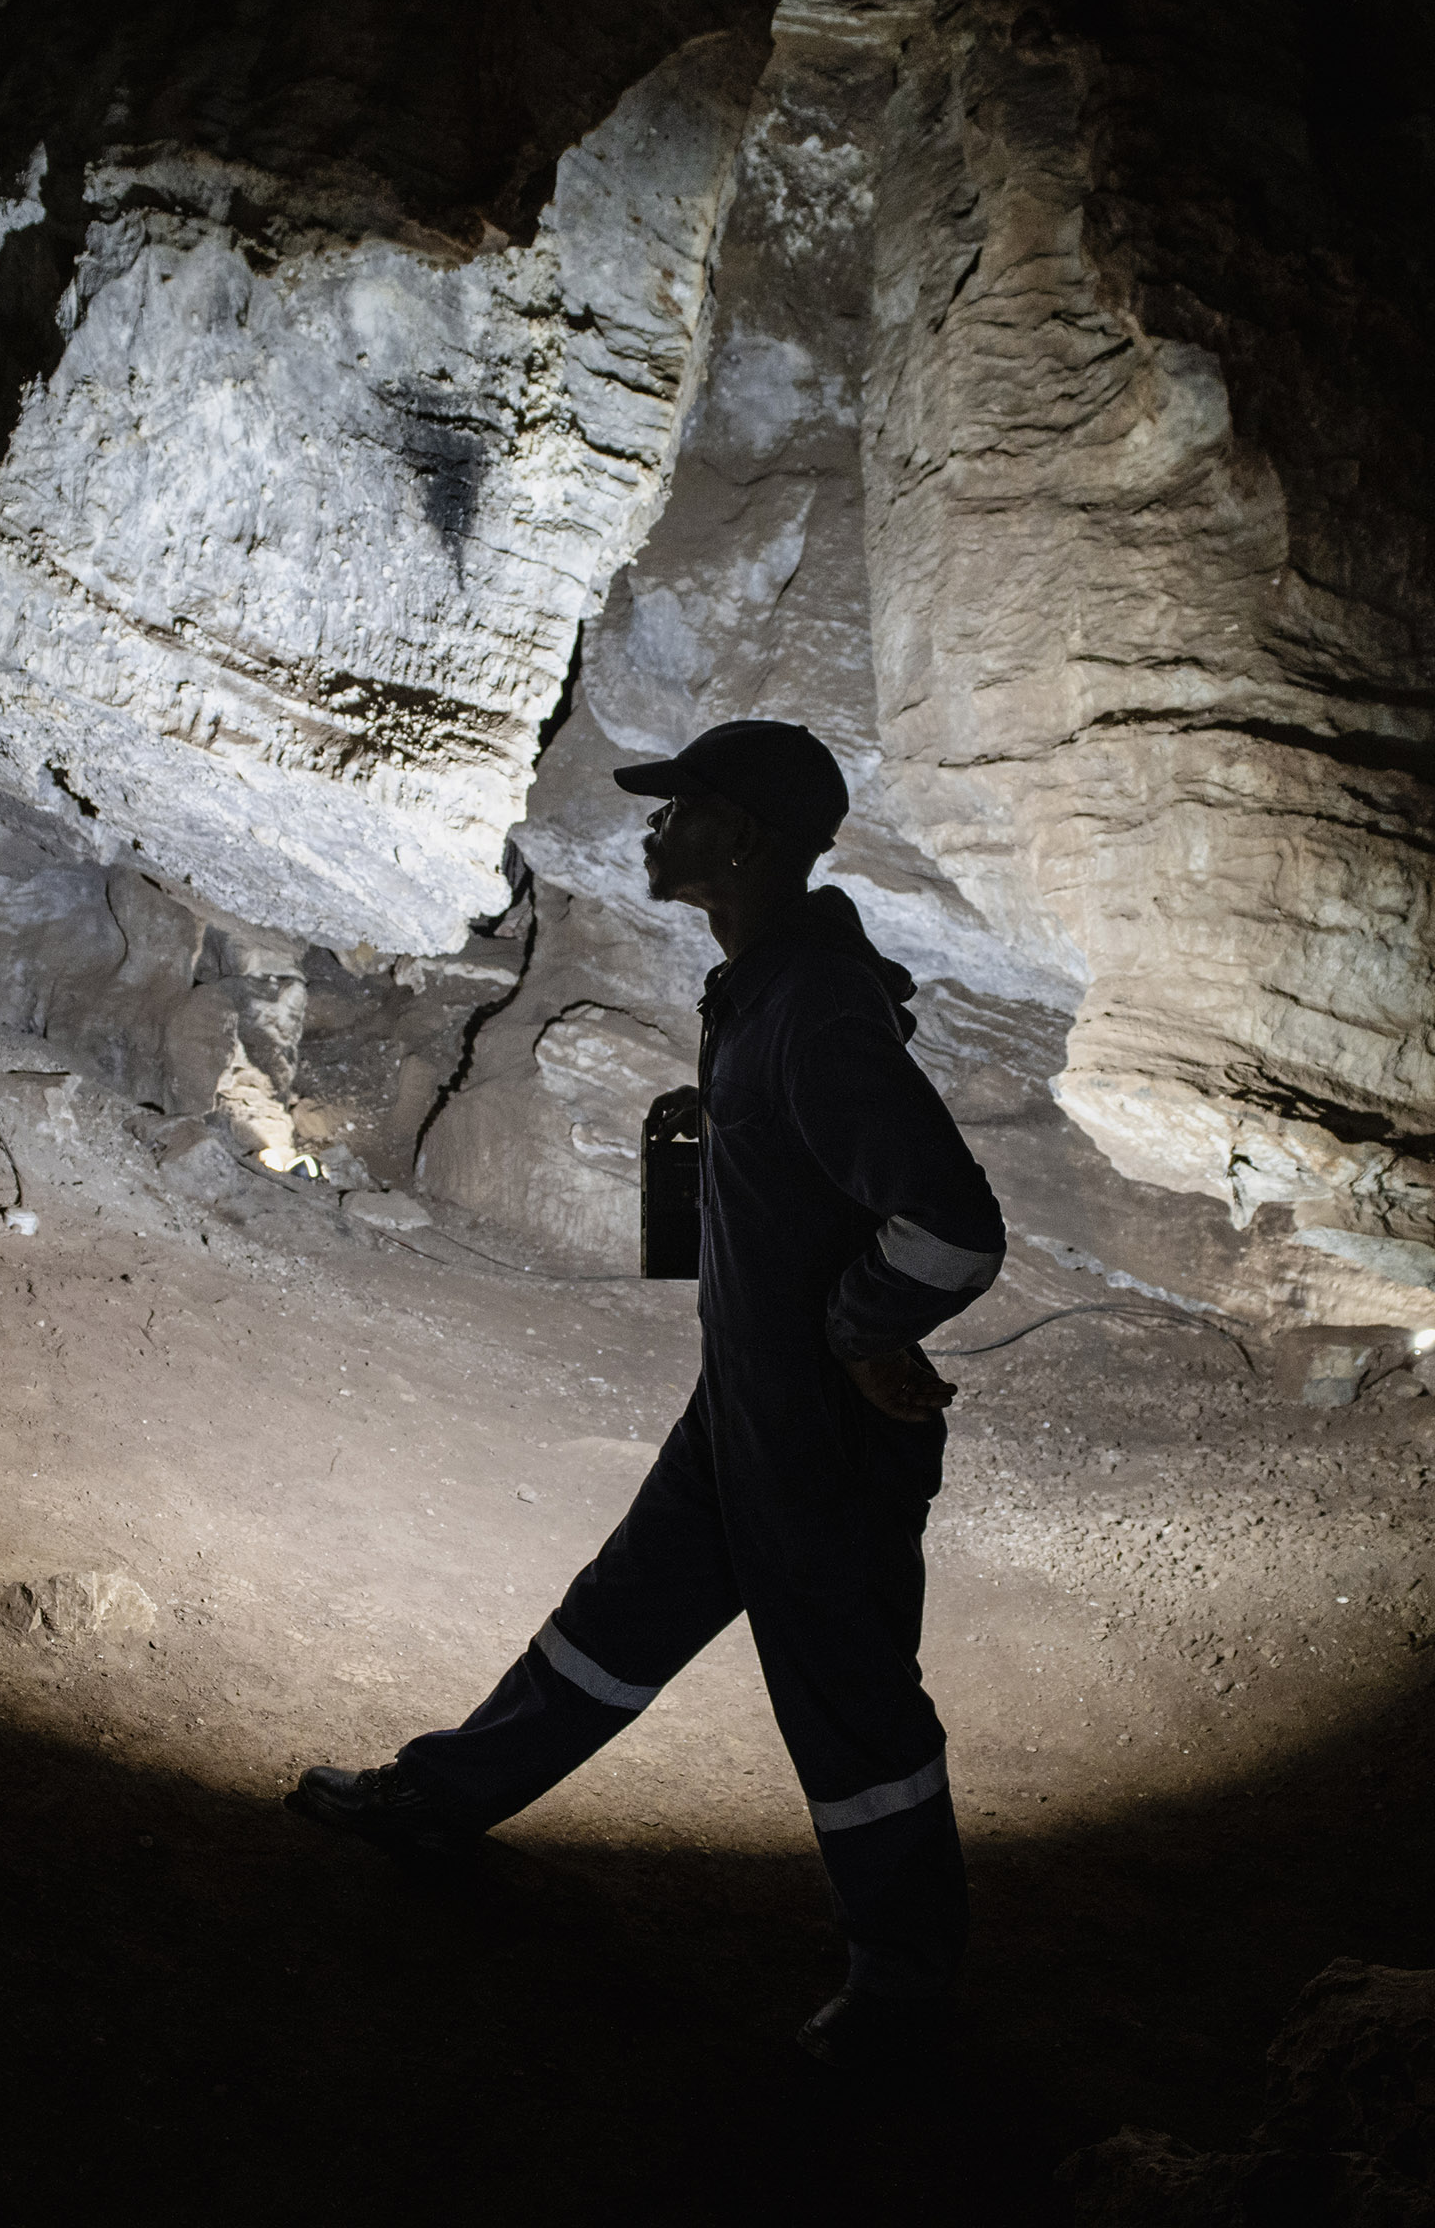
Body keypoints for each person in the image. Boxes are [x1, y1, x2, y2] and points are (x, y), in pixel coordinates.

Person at [289, 717, 1008, 2069]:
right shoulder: (764, 980)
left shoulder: (813, 1014)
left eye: (679, 810)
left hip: (821, 1444)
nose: (652, 828)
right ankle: (442, 1799)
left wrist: (861, 1329)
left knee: (852, 1708)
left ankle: (906, 1993)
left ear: (738, 840)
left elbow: (957, 1228)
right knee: (614, 1621)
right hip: (747, 1409)